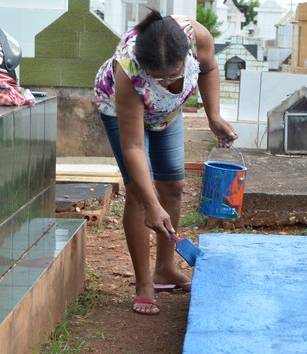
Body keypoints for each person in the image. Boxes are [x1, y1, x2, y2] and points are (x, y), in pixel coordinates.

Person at [94, 9, 237, 315]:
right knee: (138, 194)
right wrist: (151, 204)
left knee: (173, 186)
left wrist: (213, 115)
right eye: (158, 77)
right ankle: (144, 283)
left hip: (167, 113)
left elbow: (209, 69)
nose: (168, 80)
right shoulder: (128, 70)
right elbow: (132, 145)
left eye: (174, 73)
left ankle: (165, 269)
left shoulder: (196, 37)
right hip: (122, 113)